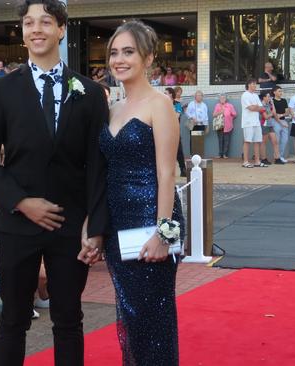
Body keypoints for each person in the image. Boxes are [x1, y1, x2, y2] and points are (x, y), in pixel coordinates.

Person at [0, 0, 109, 364]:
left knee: (68, 320)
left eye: (45, 22)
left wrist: (94, 227)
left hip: (70, 226)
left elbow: (99, 166)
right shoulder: (2, 89)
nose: (36, 29)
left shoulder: (90, 93)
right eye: (29, 23)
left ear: (61, 29)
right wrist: (21, 202)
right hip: (18, 226)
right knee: (13, 321)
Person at [102, 19, 183, 365]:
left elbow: (168, 173)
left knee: (154, 319)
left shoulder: (160, 103)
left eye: (129, 52)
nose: (119, 59)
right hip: (118, 225)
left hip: (155, 221)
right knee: (131, 316)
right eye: (114, 53)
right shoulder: (112, 108)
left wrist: (163, 235)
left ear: (148, 58)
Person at [241, 79, 266, 168]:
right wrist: (256, 107)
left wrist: (255, 107)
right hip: (248, 122)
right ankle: (245, 161)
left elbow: (261, 108)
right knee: (247, 141)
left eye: (255, 84)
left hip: (256, 122)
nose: (255, 85)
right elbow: (251, 108)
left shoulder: (255, 95)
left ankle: (257, 161)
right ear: (248, 85)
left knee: (257, 141)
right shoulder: (245, 95)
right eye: (253, 84)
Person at [164, 87, 187, 176]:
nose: (164, 95)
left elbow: (176, 116)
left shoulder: (177, 104)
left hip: (174, 131)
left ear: (171, 94)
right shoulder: (162, 104)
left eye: (165, 93)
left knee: (178, 150)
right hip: (163, 131)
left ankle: (183, 169)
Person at [258, 91, 281, 165]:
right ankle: (263, 159)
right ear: (264, 97)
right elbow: (266, 117)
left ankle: (277, 158)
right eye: (268, 96)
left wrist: (272, 103)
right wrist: (271, 114)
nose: (269, 98)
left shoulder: (269, 104)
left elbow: (274, 112)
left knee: (275, 141)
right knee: (264, 142)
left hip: (270, 125)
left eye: (270, 97)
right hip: (264, 125)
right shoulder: (261, 105)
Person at [212, 94, 236, 159]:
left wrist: (229, 118)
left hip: (228, 126)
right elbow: (214, 115)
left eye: (224, 98)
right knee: (220, 140)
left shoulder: (230, 106)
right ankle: (220, 154)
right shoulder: (217, 105)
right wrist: (220, 112)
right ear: (219, 99)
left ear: (226, 99)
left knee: (227, 140)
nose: (222, 99)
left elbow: (234, 114)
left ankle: (225, 154)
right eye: (221, 98)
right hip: (219, 126)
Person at [271, 86, 290, 163]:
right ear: (274, 92)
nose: (281, 93)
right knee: (277, 140)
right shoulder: (271, 101)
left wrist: (281, 115)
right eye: (279, 91)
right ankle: (277, 157)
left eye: (281, 91)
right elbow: (273, 113)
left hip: (283, 121)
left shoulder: (284, 100)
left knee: (285, 140)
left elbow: (287, 112)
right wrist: (278, 117)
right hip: (275, 121)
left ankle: (281, 156)